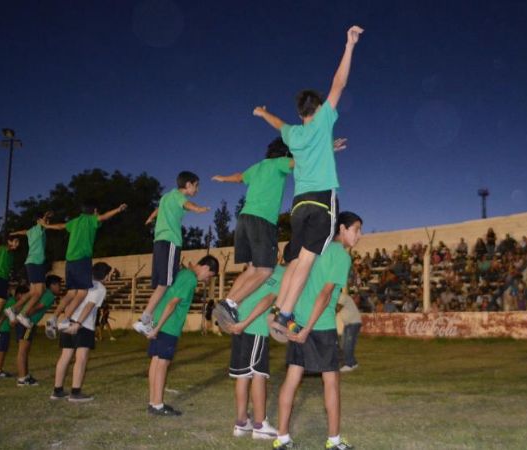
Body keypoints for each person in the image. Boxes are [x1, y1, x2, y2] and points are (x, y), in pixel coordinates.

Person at [252, 25, 364, 340]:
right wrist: (349, 46)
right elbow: (339, 82)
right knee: (306, 263)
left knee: (296, 262)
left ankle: (280, 313)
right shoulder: (324, 118)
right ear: (316, 108)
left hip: (299, 206)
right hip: (321, 202)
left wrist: (263, 113)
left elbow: (278, 124)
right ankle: (285, 314)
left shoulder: (293, 133)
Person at [273, 211, 362, 450]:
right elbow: (325, 294)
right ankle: (334, 441)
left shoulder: (311, 250)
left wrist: (290, 319)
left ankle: (282, 438)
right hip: (319, 325)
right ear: (342, 229)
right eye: (356, 229)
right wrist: (308, 329)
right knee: (331, 382)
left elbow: (294, 281)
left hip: (298, 321)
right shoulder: (341, 256)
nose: (359, 235)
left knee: (292, 379)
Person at [210, 138, 293, 331]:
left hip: (244, 219)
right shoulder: (280, 162)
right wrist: (325, 148)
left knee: (252, 269)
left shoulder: (258, 166)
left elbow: (239, 177)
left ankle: (228, 302)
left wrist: (223, 178)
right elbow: (299, 162)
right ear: (285, 153)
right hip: (262, 221)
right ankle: (230, 304)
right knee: (265, 270)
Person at [226, 248, 292, 440]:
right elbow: (267, 299)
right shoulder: (283, 275)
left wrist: (238, 322)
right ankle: (260, 424)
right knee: (258, 374)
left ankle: (241, 423)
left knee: (242, 375)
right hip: (252, 326)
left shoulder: (257, 270)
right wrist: (246, 323)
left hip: (240, 321)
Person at [133, 171, 210, 336]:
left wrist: (150, 218)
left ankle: (146, 319)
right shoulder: (178, 196)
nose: (197, 190)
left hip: (159, 242)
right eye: (196, 186)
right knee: (166, 283)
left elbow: (157, 210)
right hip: (171, 242)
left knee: (162, 284)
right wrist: (198, 209)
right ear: (188, 185)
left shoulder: (165, 198)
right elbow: (187, 204)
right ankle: (144, 320)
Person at [145, 255, 219, 416]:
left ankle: (153, 402)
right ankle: (157, 405)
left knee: (156, 361)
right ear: (206, 268)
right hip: (168, 326)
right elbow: (173, 302)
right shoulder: (190, 278)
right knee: (163, 363)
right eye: (210, 276)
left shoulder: (182, 273)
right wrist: (158, 328)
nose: (207, 280)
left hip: (161, 322)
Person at [41, 201, 126, 336]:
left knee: (71, 293)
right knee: (82, 293)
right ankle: (65, 321)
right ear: (93, 211)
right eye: (96, 211)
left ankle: (53, 318)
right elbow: (103, 217)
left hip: (70, 261)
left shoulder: (74, 222)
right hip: (82, 260)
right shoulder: (90, 219)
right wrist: (118, 209)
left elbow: (59, 226)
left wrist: (46, 225)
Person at [50, 262, 112, 402]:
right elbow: (89, 306)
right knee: (81, 358)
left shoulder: (82, 283)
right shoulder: (100, 288)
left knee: (65, 357)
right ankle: (75, 392)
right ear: (104, 275)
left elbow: (70, 299)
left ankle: (57, 390)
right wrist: (78, 324)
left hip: (68, 321)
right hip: (83, 325)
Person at [6, 211, 51, 329]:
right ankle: (22, 314)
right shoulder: (39, 229)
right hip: (36, 263)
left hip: (31, 262)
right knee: (39, 292)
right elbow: (41, 222)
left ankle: (13, 309)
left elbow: (24, 231)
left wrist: (15, 232)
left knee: (32, 292)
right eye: (45, 221)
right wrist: (45, 215)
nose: (47, 222)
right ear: (39, 221)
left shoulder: (31, 231)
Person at [16, 275, 61, 386]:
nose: (60, 288)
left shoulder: (46, 293)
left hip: (27, 322)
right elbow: (37, 307)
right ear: (53, 285)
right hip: (28, 323)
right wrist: (26, 315)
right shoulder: (49, 295)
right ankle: (22, 379)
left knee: (24, 351)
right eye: (59, 285)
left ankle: (25, 375)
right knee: (23, 351)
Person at [0, 286, 28, 378]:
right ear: (19, 295)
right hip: (3, 330)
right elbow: (6, 314)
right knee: (1, 351)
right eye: (25, 296)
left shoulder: (9, 300)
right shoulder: (13, 302)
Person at [336, 291, 362, 372]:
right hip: (349, 324)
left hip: (353, 323)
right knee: (344, 344)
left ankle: (349, 364)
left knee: (347, 345)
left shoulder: (342, 297)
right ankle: (353, 363)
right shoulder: (338, 297)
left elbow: (337, 308)